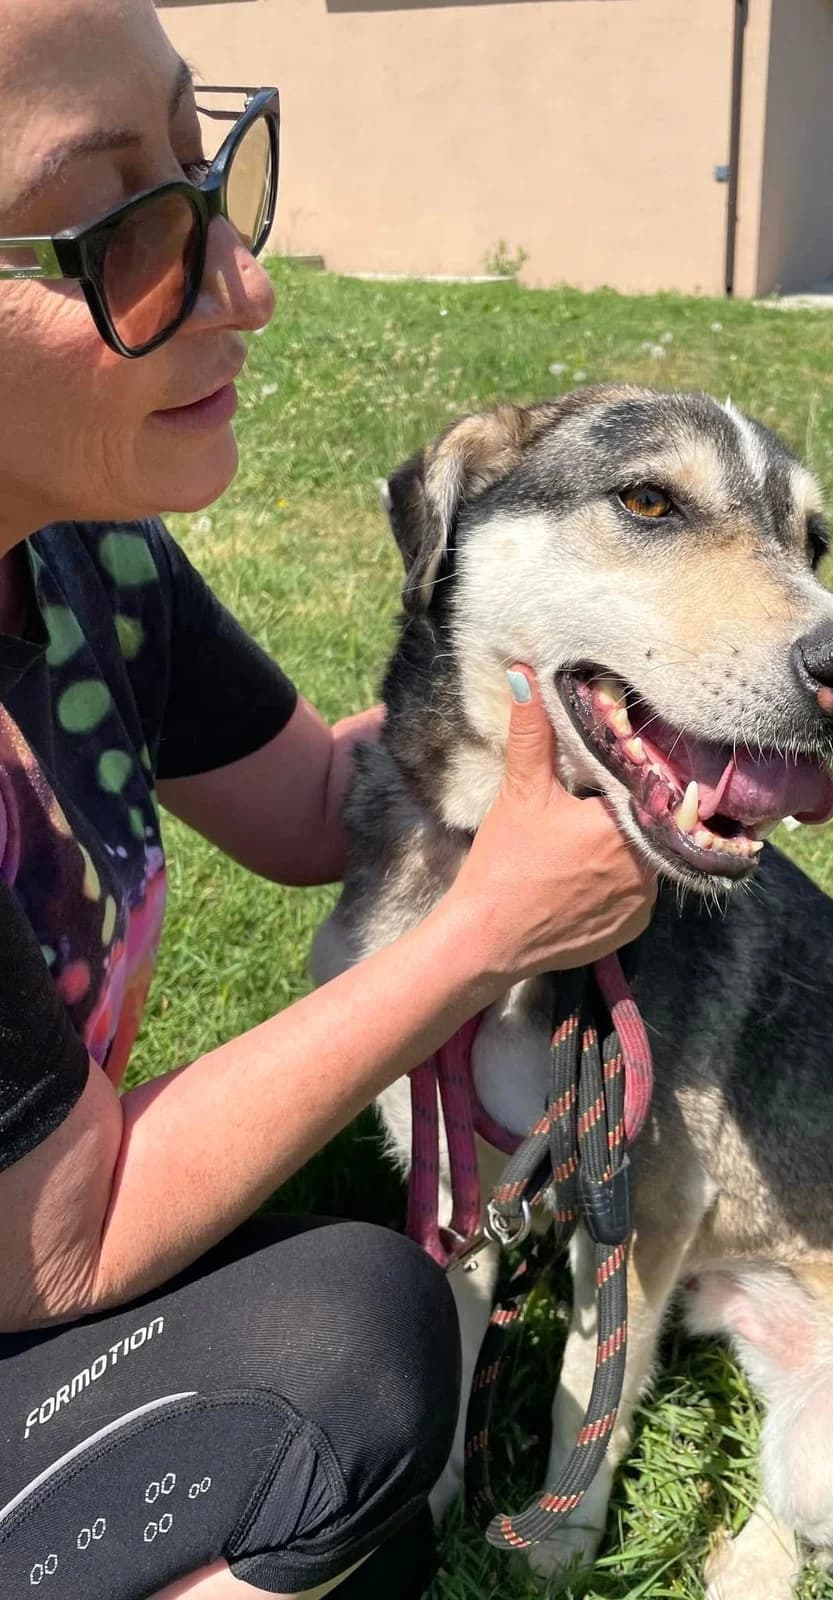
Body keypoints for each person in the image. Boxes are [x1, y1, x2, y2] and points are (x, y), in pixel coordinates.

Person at [0, 4, 656, 1597]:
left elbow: (311, 803)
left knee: (345, 1349)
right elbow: (60, 1247)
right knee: (352, 1359)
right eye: (124, 231)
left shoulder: (77, 558)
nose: (246, 285)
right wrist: (484, 926)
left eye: (209, 174)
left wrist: (585, 681)